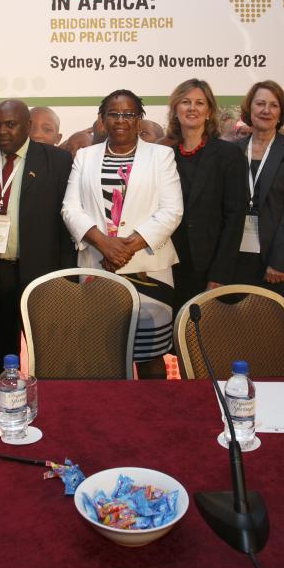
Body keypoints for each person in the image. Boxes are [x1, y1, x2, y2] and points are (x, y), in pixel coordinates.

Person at [61, 90, 183, 378]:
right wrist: (105, 245)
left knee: (150, 358)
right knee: (102, 356)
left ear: (139, 120)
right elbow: (70, 209)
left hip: (148, 271)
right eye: (113, 114)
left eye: (129, 114)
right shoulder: (85, 157)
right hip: (97, 268)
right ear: (102, 120)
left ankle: (153, 418)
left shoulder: (160, 156)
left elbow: (171, 211)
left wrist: (126, 248)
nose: (121, 120)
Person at [0, 100, 74, 378]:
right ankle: (2, 406)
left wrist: (66, 276)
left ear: (27, 127)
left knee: (49, 351)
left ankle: (54, 408)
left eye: (10, 124)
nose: (2, 131)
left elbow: (67, 222)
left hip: (40, 272)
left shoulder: (57, 161)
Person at [164, 79, 248, 313]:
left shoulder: (229, 155)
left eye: (200, 103)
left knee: (205, 342)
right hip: (168, 265)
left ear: (209, 111)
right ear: (175, 109)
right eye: (185, 102)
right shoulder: (164, 155)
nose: (192, 108)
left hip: (209, 266)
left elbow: (235, 218)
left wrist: (220, 273)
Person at [234, 80, 284, 330]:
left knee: (277, 336)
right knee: (241, 334)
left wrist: (279, 261)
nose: (266, 110)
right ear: (249, 108)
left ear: (280, 113)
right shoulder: (233, 150)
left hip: (280, 264)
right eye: (260, 103)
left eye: (273, 105)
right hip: (240, 261)